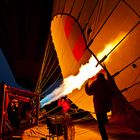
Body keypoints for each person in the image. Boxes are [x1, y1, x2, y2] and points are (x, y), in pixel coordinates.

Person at [85, 72, 113, 140]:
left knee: (101, 126)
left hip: (99, 107)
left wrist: (86, 84)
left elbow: (89, 92)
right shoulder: (107, 83)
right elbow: (112, 92)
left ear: (97, 77)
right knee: (105, 122)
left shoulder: (96, 83)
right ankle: (107, 126)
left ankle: (105, 138)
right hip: (106, 106)